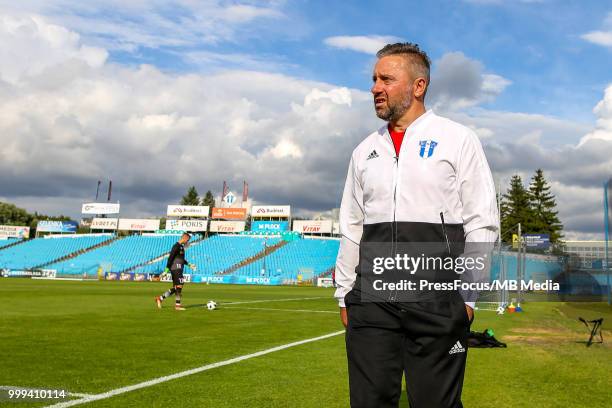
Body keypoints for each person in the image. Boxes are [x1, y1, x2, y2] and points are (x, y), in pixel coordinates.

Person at [334, 43, 499, 408]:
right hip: (371, 301)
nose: (375, 87)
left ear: (418, 86)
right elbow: (351, 225)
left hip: (437, 298)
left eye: (387, 79)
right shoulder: (363, 151)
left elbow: (482, 222)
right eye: (374, 79)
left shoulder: (458, 139)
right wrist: (345, 293)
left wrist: (467, 297)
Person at [155, 232, 197, 311]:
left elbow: (181, 259)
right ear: (184, 238)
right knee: (180, 285)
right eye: (188, 240)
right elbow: (170, 258)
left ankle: (160, 298)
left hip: (179, 269)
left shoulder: (181, 247)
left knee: (176, 288)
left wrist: (189, 264)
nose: (187, 242)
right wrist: (166, 270)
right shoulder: (176, 246)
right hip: (175, 268)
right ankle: (177, 306)